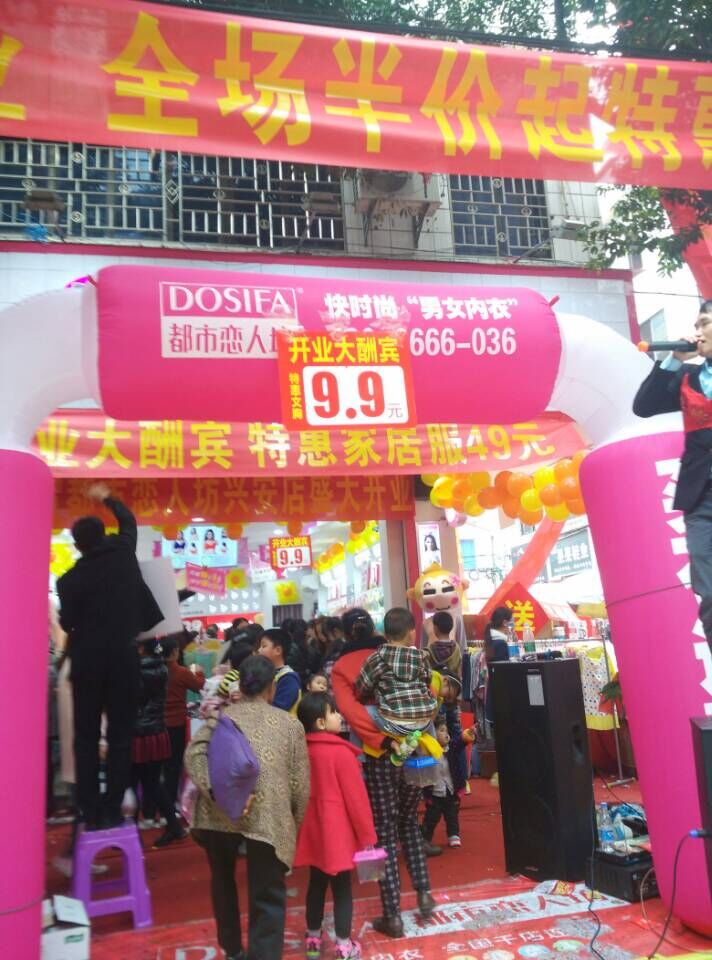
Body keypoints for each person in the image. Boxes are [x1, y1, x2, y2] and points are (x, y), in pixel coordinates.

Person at [185, 655, 310, 960]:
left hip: (217, 816)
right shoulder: (289, 725)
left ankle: (232, 950)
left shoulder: (220, 718)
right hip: (267, 816)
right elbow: (300, 786)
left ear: (240, 685)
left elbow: (194, 755)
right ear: (271, 688)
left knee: (222, 882)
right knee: (267, 894)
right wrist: (291, 826)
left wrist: (216, 794)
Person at [57, 483, 162, 829]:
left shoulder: (68, 581)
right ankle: (113, 808)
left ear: (77, 546)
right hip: (122, 658)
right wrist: (107, 499)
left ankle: (89, 810)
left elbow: (68, 623)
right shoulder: (121, 551)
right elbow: (128, 521)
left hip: (87, 661)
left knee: (86, 737)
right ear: (104, 534)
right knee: (120, 736)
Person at [332, 608, 435, 939]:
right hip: (417, 746)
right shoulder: (417, 657)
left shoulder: (346, 666)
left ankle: (392, 915)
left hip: (380, 755)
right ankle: (424, 892)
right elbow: (429, 692)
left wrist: (383, 739)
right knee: (410, 820)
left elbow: (353, 711)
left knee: (385, 830)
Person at [633, 300, 712, 652]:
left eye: (704, 323)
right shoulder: (687, 377)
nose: (697, 331)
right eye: (696, 325)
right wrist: (674, 359)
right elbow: (643, 406)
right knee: (708, 589)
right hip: (701, 498)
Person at [295, 693, 377, 960]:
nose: (339, 716)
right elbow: (357, 801)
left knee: (316, 885)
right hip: (338, 835)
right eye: (334, 712)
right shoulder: (341, 754)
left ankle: (312, 940)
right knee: (342, 889)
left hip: (313, 832)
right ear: (320, 722)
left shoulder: (301, 752)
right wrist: (367, 836)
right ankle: (343, 946)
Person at [131, 639, 188, 847]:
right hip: (156, 731)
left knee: (131, 782)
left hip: (138, 732)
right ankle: (173, 825)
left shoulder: (136, 671)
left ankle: (131, 833)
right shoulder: (161, 669)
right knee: (153, 782)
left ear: (140, 648)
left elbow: (132, 701)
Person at [355, 607, 437, 746]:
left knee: (358, 715)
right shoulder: (422, 658)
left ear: (385, 635)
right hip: (425, 722)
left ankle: (357, 757)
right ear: (412, 633)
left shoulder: (377, 658)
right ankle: (435, 751)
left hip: (393, 724)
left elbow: (362, 687)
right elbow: (428, 682)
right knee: (426, 708)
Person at [163, 635, 205, 810]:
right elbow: (199, 686)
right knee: (174, 764)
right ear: (175, 652)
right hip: (176, 723)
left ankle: (155, 805)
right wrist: (199, 672)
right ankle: (171, 802)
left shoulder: (156, 670)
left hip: (157, 723)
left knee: (158, 765)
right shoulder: (181, 672)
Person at [421, 715, 474, 850]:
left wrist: (467, 734)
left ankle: (453, 834)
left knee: (452, 815)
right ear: (432, 735)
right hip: (435, 793)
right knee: (431, 817)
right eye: (441, 730)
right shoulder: (427, 752)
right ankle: (425, 838)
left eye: (446, 731)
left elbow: (459, 742)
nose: (446, 734)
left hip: (451, 790)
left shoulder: (451, 748)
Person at [483, 606, 512, 736]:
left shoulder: (491, 641)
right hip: (500, 697)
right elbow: (503, 673)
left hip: (493, 695)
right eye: (511, 622)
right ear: (505, 622)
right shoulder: (501, 643)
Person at [258, 628, 301, 713]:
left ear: (278, 650)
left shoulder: (288, 678)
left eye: (263, 646)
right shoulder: (265, 673)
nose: (259, 650)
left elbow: (279, 710)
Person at [424, 611, 462, 678]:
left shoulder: (430, 650)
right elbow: (459, 671)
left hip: (436, 683)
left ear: (435, 628)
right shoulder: (456, 648)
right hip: (452, 683)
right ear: (451, 627)